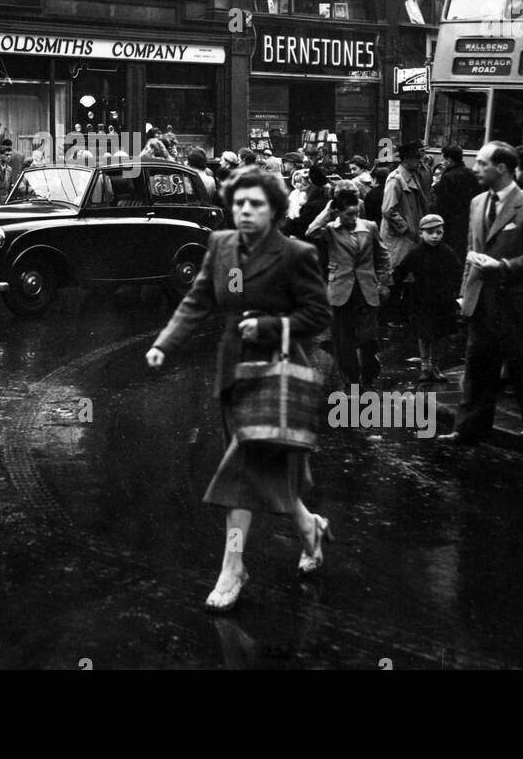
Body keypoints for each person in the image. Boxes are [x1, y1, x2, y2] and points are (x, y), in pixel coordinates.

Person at [145, 166, 332, 611]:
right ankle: (310, 530)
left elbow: (318, 316)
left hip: (276, 374)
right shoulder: (220, 244)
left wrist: (269, 326)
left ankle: (233, 568)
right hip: (233, 376)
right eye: (240, 203)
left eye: (257, 205)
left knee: (240, 473)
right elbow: (198, 299)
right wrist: (164, 344)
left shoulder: (296, 254)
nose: (246, 211)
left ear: (276, 210)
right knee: (262, 472)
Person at [439, 141, 523, 444]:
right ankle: (467, 430)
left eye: (482, 164)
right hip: (482, 304)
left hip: (516, 307)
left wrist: (502, 265)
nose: (476, 168)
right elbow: (471, 253)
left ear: (501, 168)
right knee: (477, 369)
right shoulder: (477, 203)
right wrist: (465, 293)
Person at [306, 188, 389, 388]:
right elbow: (311, 232)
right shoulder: (331, 230)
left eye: (356, 213)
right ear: (339, 212)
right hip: (340, 290)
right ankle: (352, 380)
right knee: (344, 341)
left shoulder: (369, 227)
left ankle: (369, 370)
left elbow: (383, 255)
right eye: (349, 214)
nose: (353, 218)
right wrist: (327, 211)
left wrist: (384, 281)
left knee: (368, 338)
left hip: (366, 289)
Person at [393, 213, 461, 384]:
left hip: (443, 300)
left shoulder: (447, 252)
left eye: (438, 232)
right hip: (422, 300)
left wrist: (457, 292)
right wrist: (395, 288)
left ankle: (435, 365)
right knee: (424, 334)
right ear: (421, 233)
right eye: (430, 232)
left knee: (439, 334)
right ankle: (425, 367)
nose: (434, 236)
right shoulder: (416, 253)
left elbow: (458, 272)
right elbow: (401, 271)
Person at [380, 139, 432, 284]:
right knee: (398, 279)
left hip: (409, 237)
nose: (420, 161)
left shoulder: (413, 175)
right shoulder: (395, 179)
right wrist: (406, 228)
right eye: (417, 158)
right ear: (407, 159)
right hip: (399, 238)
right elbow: (388, 210)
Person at [432, 145, 478, 262]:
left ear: (450, 160)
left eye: (443, 159)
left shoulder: (448, 177)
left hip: (451, 225)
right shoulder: (471, 173)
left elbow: (442, 206)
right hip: (468, 222)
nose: (442, 162)